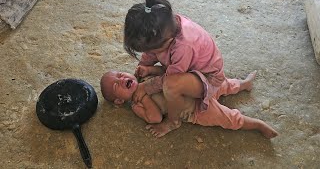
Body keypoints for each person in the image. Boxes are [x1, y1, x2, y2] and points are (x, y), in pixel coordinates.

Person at [124, 0, 229, 127]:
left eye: (150, 50)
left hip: (209, 77)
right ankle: (234, 85)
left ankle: (173, 122)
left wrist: (147, 86)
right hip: (191, 67)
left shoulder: (183, 46)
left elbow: (172, 78)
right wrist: (144, 65)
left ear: (168, 42)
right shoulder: (163, 25)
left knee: (171, 86)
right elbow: (151, 53)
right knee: (161, 66)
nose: (148, 53)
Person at [100, 69, 278, 139]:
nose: (122, 79)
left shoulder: (143, 77)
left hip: (196, 90)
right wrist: (145, 97)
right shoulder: (136, 105)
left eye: (121, 74)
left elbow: (166, 70)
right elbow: (154, 118)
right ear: (119, 101)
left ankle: (243, 84)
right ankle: (257, 125)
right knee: (228, 118)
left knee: (222, 84)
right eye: (117, 84)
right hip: (195, 110)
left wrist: (150, 69)